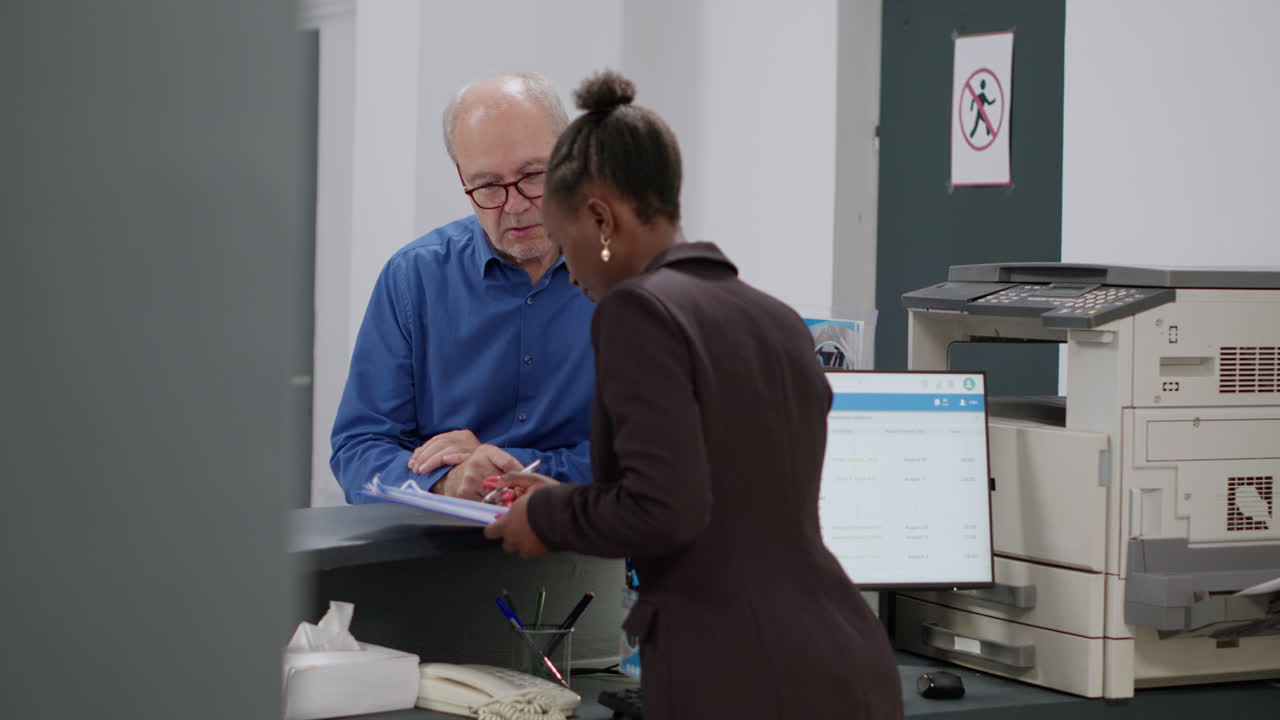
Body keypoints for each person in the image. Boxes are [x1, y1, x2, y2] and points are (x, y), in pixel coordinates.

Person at [484, 71, 904, 719]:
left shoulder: (636, 313)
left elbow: (668, 510)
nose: (570, 275)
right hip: (846, 660)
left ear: (600, 218)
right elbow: (734, 495)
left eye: (568, 247)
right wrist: (566, 498)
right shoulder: (776, 318)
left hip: (741, 675)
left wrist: (546, 519)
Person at [330, 74, 595, 503]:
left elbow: (662, 457)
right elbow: (359, 449)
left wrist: (508, 468)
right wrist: (447, 481)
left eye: (532, 175)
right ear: (462, 177)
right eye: (488, 185)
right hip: (442, 558)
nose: (515, 205)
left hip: (594, 554)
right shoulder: (413, 278)